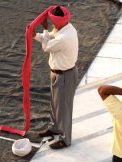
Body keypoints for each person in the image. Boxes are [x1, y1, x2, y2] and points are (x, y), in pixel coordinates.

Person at [33, 5, 79, 149]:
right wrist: (34, 35)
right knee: (55, 104)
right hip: (58, 74)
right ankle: (54, 128)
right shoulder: (66, 28)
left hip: (64, 76)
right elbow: (50, 38)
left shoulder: (65, 37)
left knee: (64, 108)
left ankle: (66, 139)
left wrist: (45, 29)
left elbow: (47, 46)